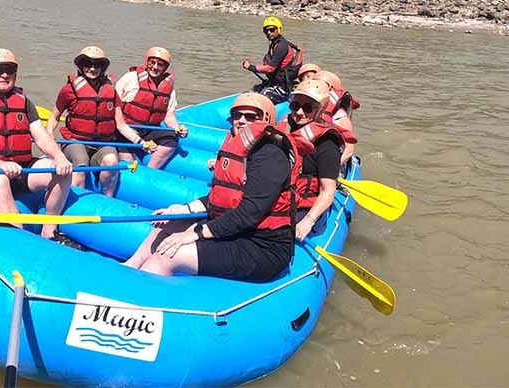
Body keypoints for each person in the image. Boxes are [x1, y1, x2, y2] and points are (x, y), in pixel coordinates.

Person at [122, 93, 297, 282]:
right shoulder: (239, 148)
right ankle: (127, 270)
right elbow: (221, 198)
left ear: (266, 119)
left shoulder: (270, 155)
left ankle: (141, 297)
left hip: (262, 245)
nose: (241, 121)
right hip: (235, 230)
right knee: (172, 222)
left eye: (250, 116)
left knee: (169, 253)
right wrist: (182, 210)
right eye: (237, 115)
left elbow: (249, 213)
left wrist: (195, 234)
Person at [0, 48, 74, 241]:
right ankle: (18, 240)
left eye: (10, 70)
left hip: (21, 169)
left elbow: (41, 136)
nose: (5, 75)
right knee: (0, 180)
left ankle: (49, 231)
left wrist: (59, 157)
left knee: (63, 171)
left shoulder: (24, 102)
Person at [49, 46, 124, 197]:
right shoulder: (68, 90)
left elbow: (120, 123)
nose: (92, 68)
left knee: (111, 161)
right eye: (88, 64)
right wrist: (50, 139)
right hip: (75, 140)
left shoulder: (110, 91)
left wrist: (140, 141)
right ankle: (79, 203)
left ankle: (106, 200)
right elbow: (54, 117)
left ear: (103, 68)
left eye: (97, 65)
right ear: (80, 66)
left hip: (102, 143)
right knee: (81, 161)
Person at [278, 78, 344, 241]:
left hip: (304, 208)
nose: (299, 112)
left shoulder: (327, 144)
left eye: (308, 108)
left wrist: (309, 220)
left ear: (320, 110)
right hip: (280, 197)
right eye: (295, 105)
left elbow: (328, 190)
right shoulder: (285, 128)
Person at [114, 46, 188, 170]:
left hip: (149, 130)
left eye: (160, 64)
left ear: (165, 67)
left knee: (171, 140)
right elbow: (116, 113)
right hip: (126, 129)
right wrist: (140, 142)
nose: (155, 67)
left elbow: (169, 116)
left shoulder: (168, 87)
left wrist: (177, 128)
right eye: (152, 62)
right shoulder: (130, 78)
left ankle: (151, 170)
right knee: (128, 161)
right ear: (146, 62)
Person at [241, 16, 303, 103]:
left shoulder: (282, 46)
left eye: (272, 30)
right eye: (266, 31)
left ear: (279, 29)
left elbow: (270, 68)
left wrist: (250, 67)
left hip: (283, 87)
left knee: (264, 97)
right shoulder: (275, 43)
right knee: (253, 90)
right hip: (275, 82)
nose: (269, 33)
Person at [317, 69, 360, 165]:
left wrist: (333, 169)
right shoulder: (307, 109)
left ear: (331, 89)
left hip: (331, 161)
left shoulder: (340, 116)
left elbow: (349, 149)